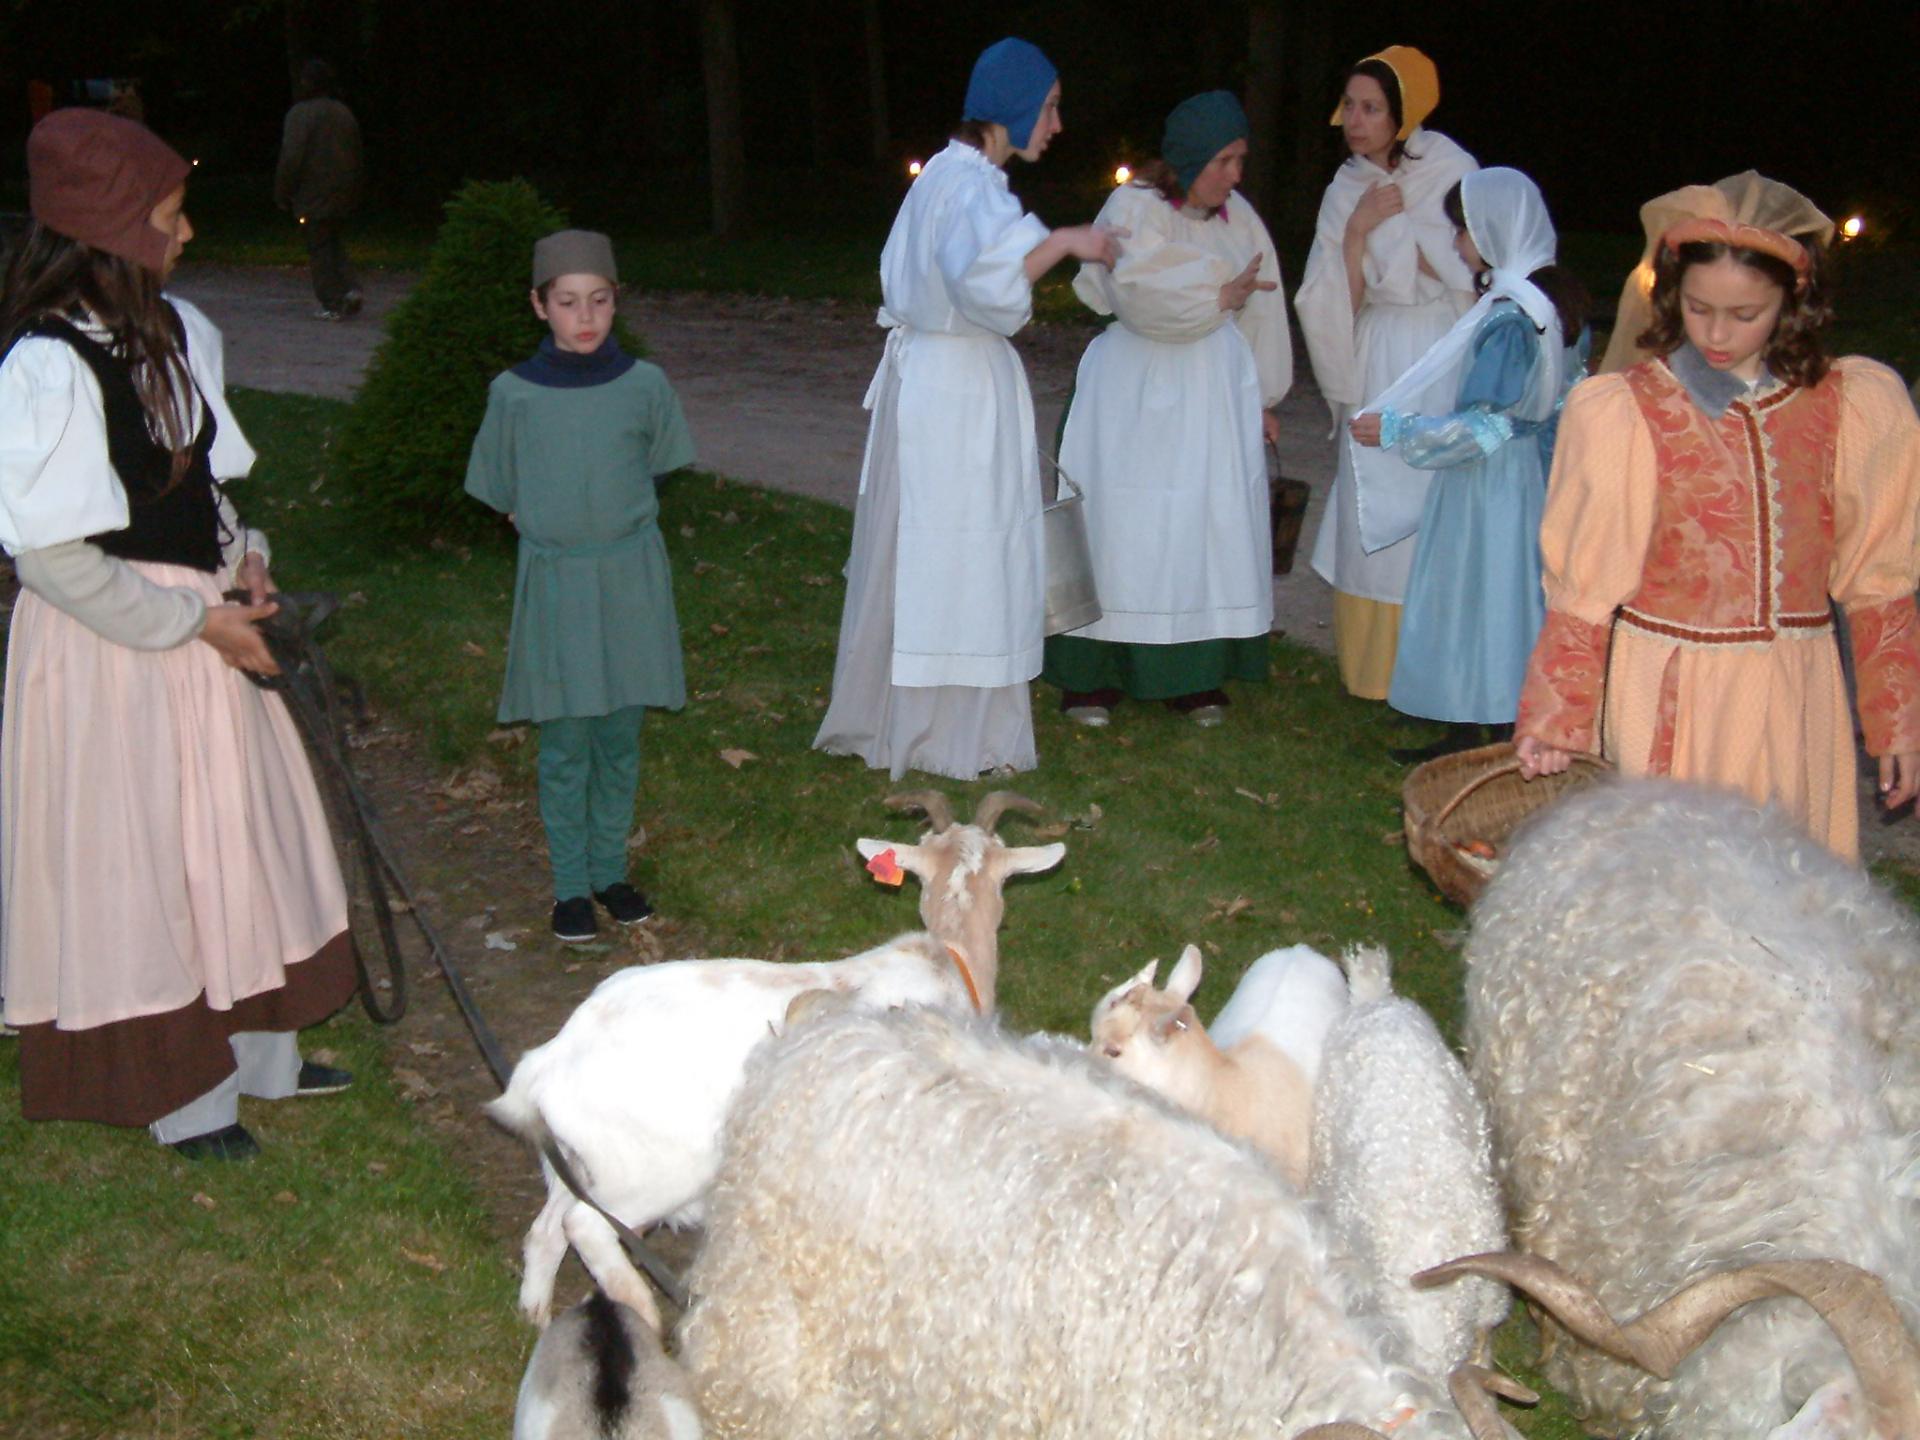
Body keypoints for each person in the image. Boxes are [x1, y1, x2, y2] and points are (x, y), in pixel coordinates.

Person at [0, 108, 356, 1160]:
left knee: (234, 841)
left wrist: (246, 559)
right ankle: (180, 1094)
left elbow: (201, 490)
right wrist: (192, 624)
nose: (188, 231)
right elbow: (55, 562)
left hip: (202, 625)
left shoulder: (183, 330)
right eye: (171, 213)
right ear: (112, 226)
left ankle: (260, 1061)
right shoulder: (44, 371)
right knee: (145, 858)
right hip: (111, 650)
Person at [1513, 173, 1920, 862]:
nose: (1718, 334)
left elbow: (1879, 575)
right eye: (1700, 309)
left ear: (1791, 303)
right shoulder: (1628, 412)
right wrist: (1558, 719)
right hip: (1672, 686)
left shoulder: (1848, 404)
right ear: (1672, 296)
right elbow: (1583, 588)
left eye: (1745, 314)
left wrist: (1897, 721)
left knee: (1789, 896)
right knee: (1674, 894)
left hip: (1796, 692)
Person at [812, 37, 1121, 779]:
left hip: (935, 383)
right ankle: (948, 737)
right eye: (1048, 107)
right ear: (1013, 107)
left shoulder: (949, 180)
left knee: (938, 552)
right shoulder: (973, 186)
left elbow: (973, 272)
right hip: (953, 397)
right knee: (962, 553)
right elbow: (987, 279)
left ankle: (917, 723)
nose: (1056, 124)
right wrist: (1069, 241)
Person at [465, 230, 694, 943]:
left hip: (629, 577)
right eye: (567, 303)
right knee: (566, 738)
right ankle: (569, 886)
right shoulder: (514, 395)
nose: (584, 317)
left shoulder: (644, 385)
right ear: (539, 306)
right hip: (561, 583)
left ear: (616, 301)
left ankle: (608, 872)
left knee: (619, 733)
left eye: (598, 301)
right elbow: (499, 487)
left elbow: (657, 460)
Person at [1043, 90, 1291, 730]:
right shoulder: (1133, 209)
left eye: (1241, 160)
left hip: (1211, 387)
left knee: (1200, 526)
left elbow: (1263, 304)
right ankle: (1092, 676)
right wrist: (1217, 295)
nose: (1236, 175)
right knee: (1122, 524)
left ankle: (1192, 673)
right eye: (1226, 160)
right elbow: (1137, 293)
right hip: (1137, 386)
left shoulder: (1241, 220)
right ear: (1190, 158)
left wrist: (1264, 395)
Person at [1347, 168, 1588, 761]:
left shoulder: (1512, 317)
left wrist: (1398, 430)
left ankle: (1489, 723)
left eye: (1463, 229)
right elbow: (1560, 407)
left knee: (1475, 593)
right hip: (1525, 477)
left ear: (1493, 232)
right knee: (1503, 597)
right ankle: (1477, 720)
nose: (1457, 242)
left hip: (1488, 483)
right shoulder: (1554, 304)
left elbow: (1484, 425)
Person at [1296, 46, 1477, 700]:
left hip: (1437, 351)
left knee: (1429, 501)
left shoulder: (1451, 171)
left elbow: (1475, 270)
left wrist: (1422, 254)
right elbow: (1325, 295)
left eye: (1371, 108)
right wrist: (1358, 235)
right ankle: (1371, 672)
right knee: (1373, 496)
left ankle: (1432, 667)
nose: (1355, 120)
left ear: (1404, 114)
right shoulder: (1345, 189)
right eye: (1350, 106)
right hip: (1377, 352)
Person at [274, 57, 364, 321]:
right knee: (334, 240)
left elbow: (292, 157)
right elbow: (357, 153)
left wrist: (283, 192)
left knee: (319, 245)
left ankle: (333, 301)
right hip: (344, 189)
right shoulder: (343, 113)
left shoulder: (301, 114)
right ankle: (350, 289)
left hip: (314, 190)